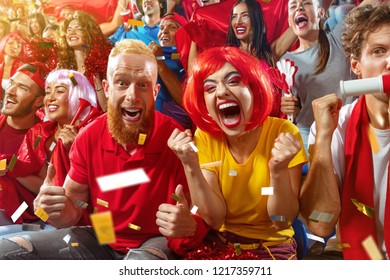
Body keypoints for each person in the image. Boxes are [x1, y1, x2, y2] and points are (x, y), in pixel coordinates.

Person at [0, 39, 193, 260]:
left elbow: (201, 214)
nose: (132, 95)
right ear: (108, 88)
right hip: (103, 234)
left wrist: (189, 222)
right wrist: (51, 209)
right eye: (121, 83)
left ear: (155, 92)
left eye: (142, 85)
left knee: (140, 265)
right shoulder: (88, 135)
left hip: (154, 240)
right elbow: (73, 209)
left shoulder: (175, 136)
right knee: (9, 251)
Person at [165, 46, 308, 259]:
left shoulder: (283, 132)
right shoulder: (204, 137)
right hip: (219, 246)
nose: (221, 91)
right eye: (210, 88)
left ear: (253, 88)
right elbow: (215, 219)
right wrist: (190, 164)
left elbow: (281, 220)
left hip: (271, 248)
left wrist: (277, 171)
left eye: (233, 81)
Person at [300, 2, 390, 260]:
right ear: (356, 65)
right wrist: (324, 139)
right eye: (378, 51)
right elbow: (320, 223)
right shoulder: (335, 126)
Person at [280, 0, 374, 170]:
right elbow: (295, 111)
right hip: (310, 131)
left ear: (321, 13)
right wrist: (291, 107)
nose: (299, 7)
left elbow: (369, 4)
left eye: (306, 3)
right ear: (289, 21)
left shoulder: (339, 36)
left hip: (348, 126)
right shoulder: (285, 62)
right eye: (293, 6)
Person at [0, 62, 51, 235]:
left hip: (21, 222)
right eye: (12, 83)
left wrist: (10, 167)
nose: (11, 91)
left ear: (38, 101)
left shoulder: (45, 136)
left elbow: (45, 187)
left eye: (22, 87)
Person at [56, 10, 113, 112]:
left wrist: (97, 81)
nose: (72, 33)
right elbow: (78, 89)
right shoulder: (68, 70)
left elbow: (105, 108)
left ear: (89, 34)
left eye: (78, 29)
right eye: (69, 30)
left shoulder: (103, 65)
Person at [148, 12, 192, 129]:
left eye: (172, 27)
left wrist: (159, 61)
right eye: (161, 28)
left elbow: (185, 101)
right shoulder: (151, 55)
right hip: (151, 128)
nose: (164, 31)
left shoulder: (188, 61)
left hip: (178, 131)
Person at [0, 30, 27, 105]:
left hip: (16, 107)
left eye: (19, 45)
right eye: (11, 43)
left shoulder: (23, 69)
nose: (15, 47)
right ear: (3, 45)